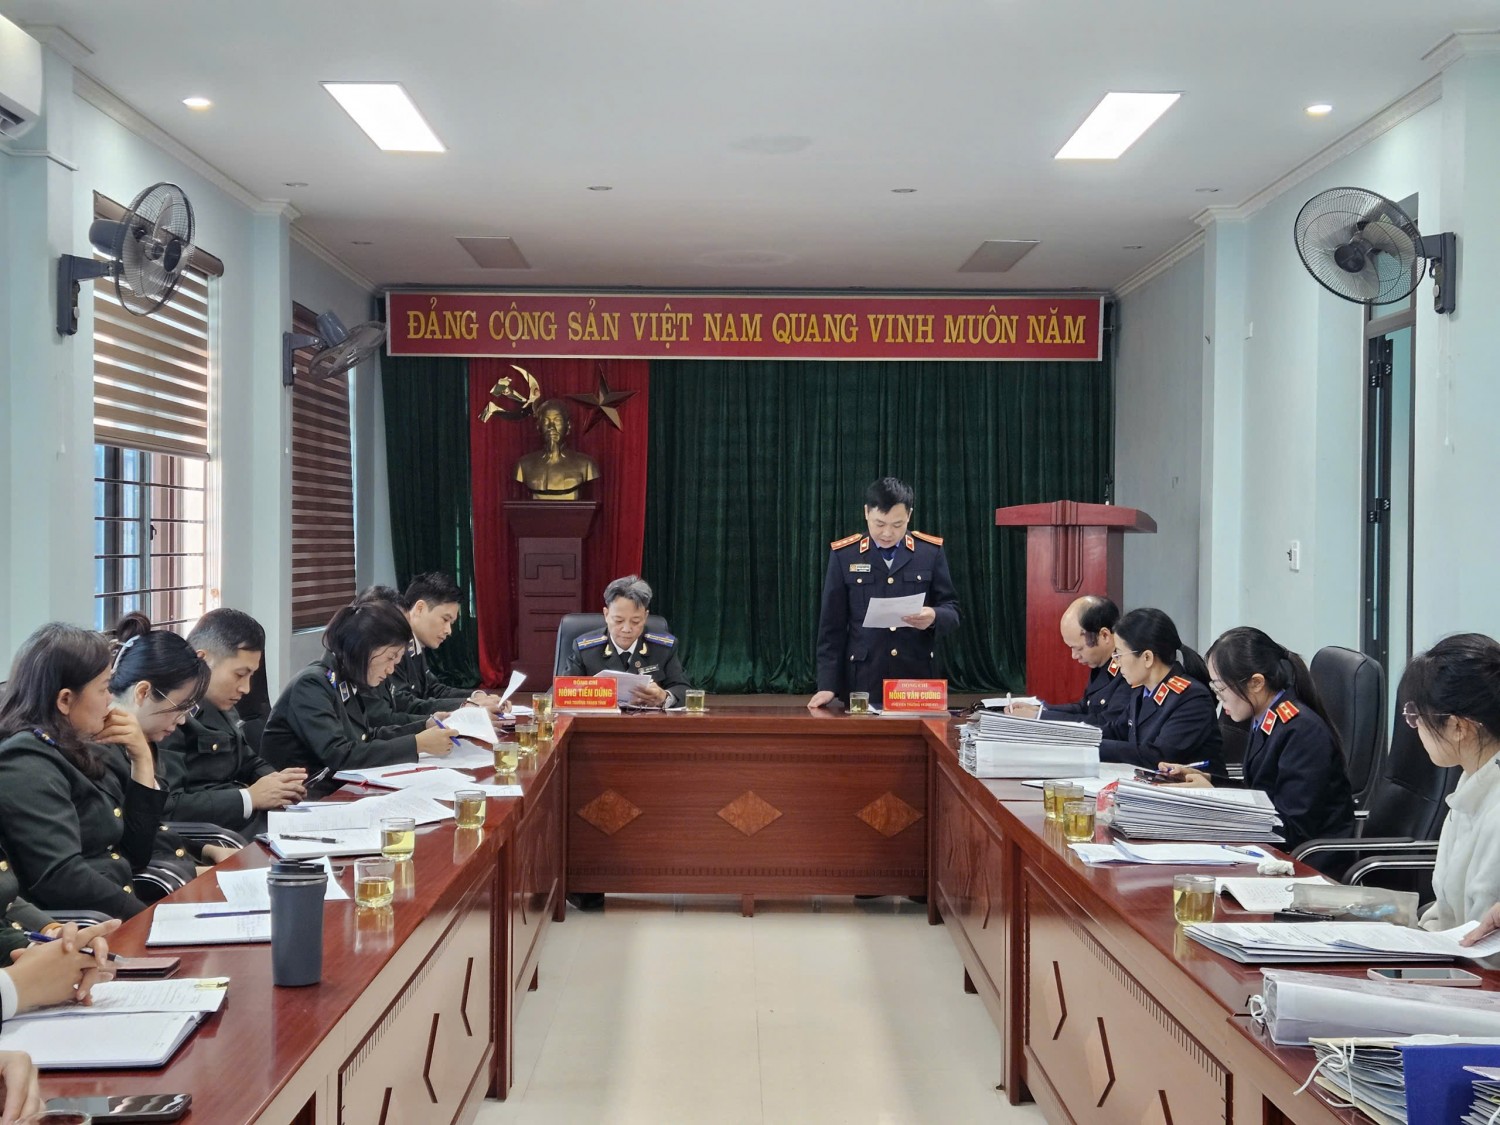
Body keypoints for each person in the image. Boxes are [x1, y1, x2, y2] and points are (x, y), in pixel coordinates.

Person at [0, 623, 165, 918]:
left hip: (112, 911)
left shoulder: (77, 745)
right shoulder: (24, 761)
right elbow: (61, 877)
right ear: (65, 700)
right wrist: (147, 920)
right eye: (103, 688)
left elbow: (134, 855)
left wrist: (141, 759)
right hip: (82, 927)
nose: (110, 699)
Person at [1152, 626, 1356, 852]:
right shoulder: (1265, 716)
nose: (1219, 698)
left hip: (1305, 858)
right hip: (1272, 846)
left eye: (1220, 688)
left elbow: (1293, 827)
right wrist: (1207, 780)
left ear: (1256, 683)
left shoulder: (1301, 731)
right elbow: (1261, 792)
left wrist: (1215, 800)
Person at [260, 600, 455, 791]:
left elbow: (366, 737)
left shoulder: (347, 680)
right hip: (304, 796)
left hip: (337, 790)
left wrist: (424, 726)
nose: (390, 670)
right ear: (364, 648)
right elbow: (340, 756)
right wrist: (416, 744)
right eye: (390, 658)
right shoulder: (312, 685)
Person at [808, 477, 960, 710]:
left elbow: (952, 610)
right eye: (879, 524)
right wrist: (827, 685)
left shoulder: (929, 552)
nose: (887, 533)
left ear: (909, 516)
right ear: (866, 513)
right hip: (864, 680)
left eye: (897, 525)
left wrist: (933, 616)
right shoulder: (845, 555)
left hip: (916, 682)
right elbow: (831, 627)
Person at [158, 609, 307, 838]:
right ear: (202, 660)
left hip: (246, 824)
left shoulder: (221, 705)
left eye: (251, 676)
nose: (246, 689)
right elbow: (171, 806)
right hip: (214, 838)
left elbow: (248, 760)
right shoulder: (169, 717)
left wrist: (280, 783)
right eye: (239, 675)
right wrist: (249, 798)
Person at [1388, 633, 1500, 932]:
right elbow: (1446, 907)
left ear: (1457, 726)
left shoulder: (1495, 813)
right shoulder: (1472, 781)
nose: (1415, 727)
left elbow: (1484, 944)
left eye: (1417, 715)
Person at [1096, 607, 1224, 773]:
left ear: (1147, 657)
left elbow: (1158, 756)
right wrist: (1077, 739)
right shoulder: (1142, 690)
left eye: (1119, 655)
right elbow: (1117, 730)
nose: (1116, 662)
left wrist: (1097, 748)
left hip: (1192, 787)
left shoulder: (1192, 697)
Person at [361, 578, 504, 718]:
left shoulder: (416, 645)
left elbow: (432, 689)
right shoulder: (388, 651)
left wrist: (475, 697)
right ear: (420, 608)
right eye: (445, 619)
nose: (449, 631)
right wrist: (465, 706)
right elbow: (403, 705)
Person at [564, 576, 690, 708]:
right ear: (606, 615)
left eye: (635, 621)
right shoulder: (586, 649)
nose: (626, 629)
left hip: (647, 719)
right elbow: (562, 690)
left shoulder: (663, 648)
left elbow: (683, 690)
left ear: (645, 617)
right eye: (618, 621)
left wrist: (664, 697)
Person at [1007, 595, 1131, 728]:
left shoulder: (1129, 670)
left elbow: (1107, 724)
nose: (1074, 656)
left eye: (1079, 648)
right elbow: (1084, 708)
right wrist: (1042, 709)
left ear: (1104, 635)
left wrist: (1040, 717)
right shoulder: (1102, 663)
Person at [515, 399, 599, 500]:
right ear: (538, 427)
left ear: (568, 426)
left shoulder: (587, 465)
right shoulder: (524, 465)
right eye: (546, 421)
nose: (551, 427)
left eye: (557, 421)